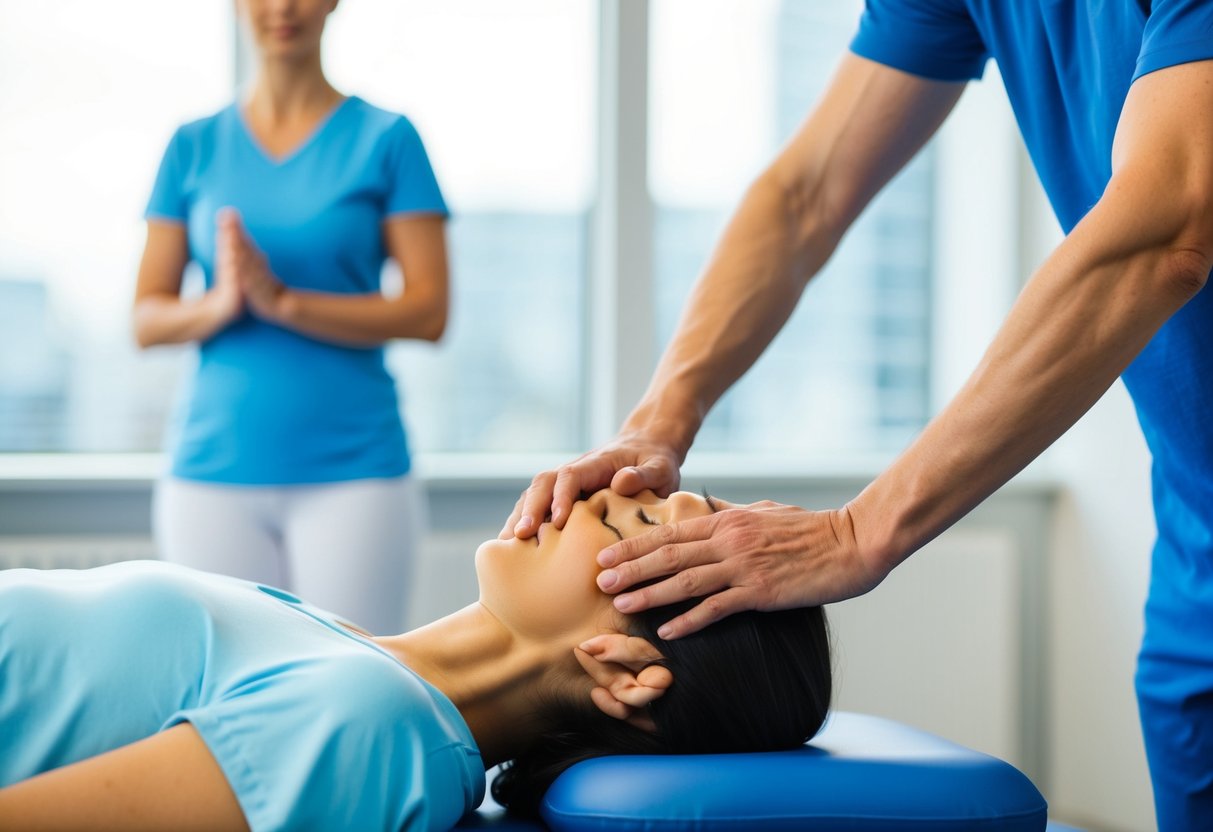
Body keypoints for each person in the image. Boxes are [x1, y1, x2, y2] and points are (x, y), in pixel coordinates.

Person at [504, 2, 1213, 827]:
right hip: (1193, 540)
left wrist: (860, 531)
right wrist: (655, 424)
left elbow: (1164, 228)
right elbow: (803, 196)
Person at [0, 489, 831, 831]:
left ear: (620, 672)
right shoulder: (341, 646)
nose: (589, 495)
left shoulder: (377, 724)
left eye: (626, 530)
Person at [132, 0, 448, 635]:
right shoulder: (192, 145)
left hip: (356, 472)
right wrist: (220, 304)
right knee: (230, 692)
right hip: (211, 476)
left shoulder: (388, 139)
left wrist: (285, 303)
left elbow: (428, 310)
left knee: (358, 684)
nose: (282, 8)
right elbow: (146, 318)